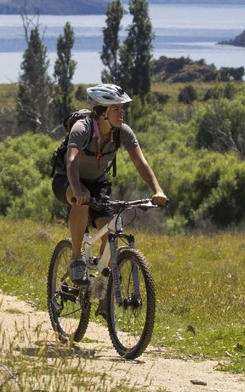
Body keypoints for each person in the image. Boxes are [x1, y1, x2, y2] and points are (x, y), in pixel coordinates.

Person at [51, 83, 167, 286]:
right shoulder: (82, 128)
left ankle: (102, 283)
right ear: (101, 112)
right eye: (116, 108)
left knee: (111, 227)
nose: (122, 113)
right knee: (81, 202)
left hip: (98, 182)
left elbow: (140, 162)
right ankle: (76, 258)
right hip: (68, 180)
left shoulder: (123, 132)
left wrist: (157, 190)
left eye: (122, 108)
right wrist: (77, 189)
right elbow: (71, 161)